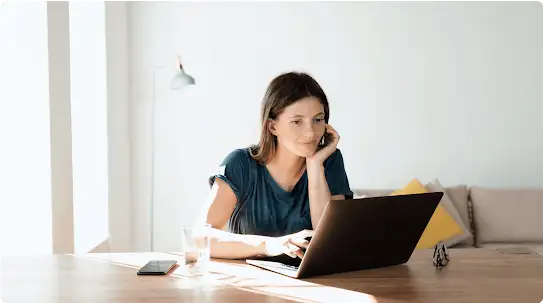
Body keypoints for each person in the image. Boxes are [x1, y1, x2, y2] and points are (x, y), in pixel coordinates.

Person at [199, 71, 353, 260]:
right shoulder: (240, 164)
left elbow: (331, 242)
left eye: (318, 120)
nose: (311, 133)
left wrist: (314, 166)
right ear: (273, 127)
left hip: (311, 281)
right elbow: (201, 237)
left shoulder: (329, 160)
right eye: (297, 121)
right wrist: (269, 244)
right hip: (249, 281)